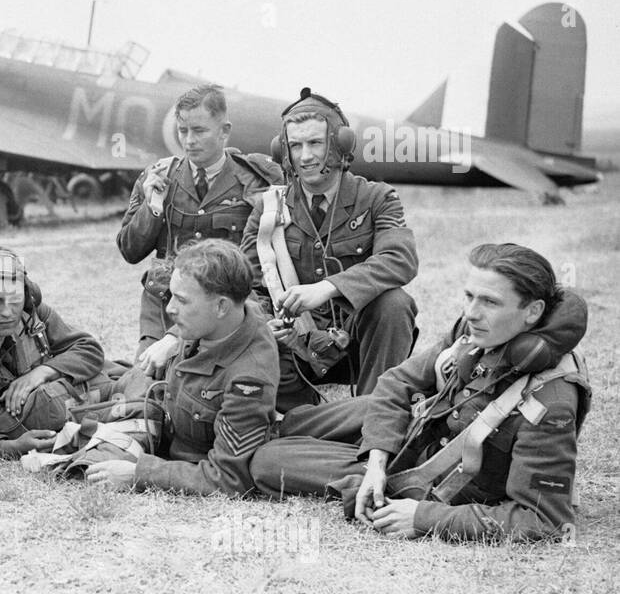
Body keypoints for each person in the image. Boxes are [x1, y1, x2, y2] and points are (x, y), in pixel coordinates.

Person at [250, 244, 590, 543]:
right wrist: (377, 462)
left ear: (532, 311)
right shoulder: (473, 332)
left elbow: (544, 520)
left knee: (267, 461)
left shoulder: (551, 400)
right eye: (469, 297)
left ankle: (248, 452)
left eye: (490, 302)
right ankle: (239, 434)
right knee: (293, 424)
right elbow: (398, 383)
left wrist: (423, 518)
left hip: (427, 478)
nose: (471, 313)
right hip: (412, 432)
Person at [240, 88, 418, 412]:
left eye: (315, 143)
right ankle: (298, 421)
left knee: (395, 303)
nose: (305, 156)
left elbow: (400, 259)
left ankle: (373, 416)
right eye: (295, 145)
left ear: (338, 145)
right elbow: (245, 285)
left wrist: (327, 288)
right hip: (293, 348)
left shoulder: (376, 198)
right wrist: (265, 323)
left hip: (356, 345)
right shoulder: (268, 210)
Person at [87, 240, 278, 496]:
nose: (169, 309)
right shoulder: (231, 314)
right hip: (156, 408)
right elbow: (248, 305)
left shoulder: (248, 381)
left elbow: (227, 477)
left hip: (174, 448)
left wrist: (139, 474)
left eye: (182, 300)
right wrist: (171, 338)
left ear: (221, 306)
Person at [117, 84, 282, 355]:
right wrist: (153, 207)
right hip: (166, 304)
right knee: (145, 382)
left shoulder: (255, 179)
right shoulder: (158, 176)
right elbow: (130, 251)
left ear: (224, 131)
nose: (189, 141)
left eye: (199, 131)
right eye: (183, 131)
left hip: (228, 308)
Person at [0, 247, 105, 458]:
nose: (8, 312)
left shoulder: (32, 314)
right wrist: (8, 446)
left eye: (15, 300)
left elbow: (89, 350)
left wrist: (41, 373)